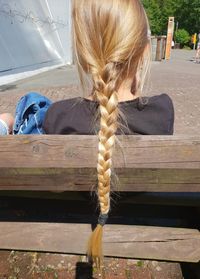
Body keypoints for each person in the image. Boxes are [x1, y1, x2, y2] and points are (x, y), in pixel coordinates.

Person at [0, 0, 174, 267]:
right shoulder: (163, 112)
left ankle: (6, 123)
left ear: (82, 55)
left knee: (31, 104)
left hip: (52, 209)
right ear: (144, 52)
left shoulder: (58, 116)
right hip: (145, 215)